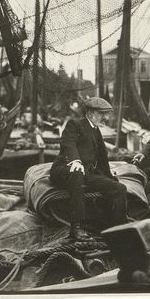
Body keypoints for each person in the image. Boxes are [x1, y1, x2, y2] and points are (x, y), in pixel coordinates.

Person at [50, 97, 127, 240]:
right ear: (90, 112)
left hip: (87, 173)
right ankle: (76, 227)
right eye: (101, 113)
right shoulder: (75, 124)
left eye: (106, 114)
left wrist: (109, 176)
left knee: (119, 188)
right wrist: (75, 160)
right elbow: (68, 143)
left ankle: (118, 229)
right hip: (64, 170)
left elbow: (102, 158)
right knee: (77, 173)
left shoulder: (96, 130)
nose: (105, 117)